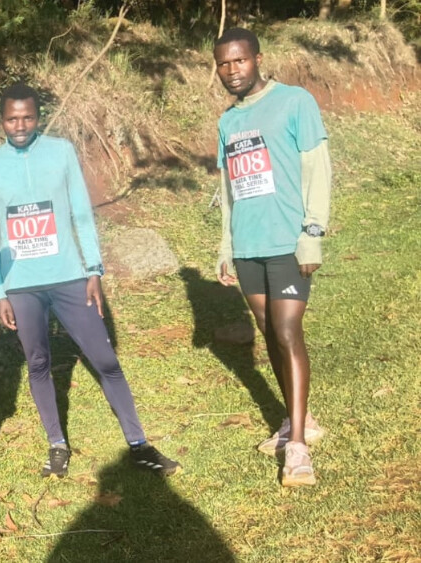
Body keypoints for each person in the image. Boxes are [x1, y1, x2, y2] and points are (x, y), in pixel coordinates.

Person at [0, 83, 180, 480]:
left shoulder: (61, 152)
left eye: (28, 117)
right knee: (38, 362)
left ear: (39, 117)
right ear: (0, 121)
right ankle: (57, 444)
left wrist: (93, 270)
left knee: (105, 360)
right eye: (12, 119)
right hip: (21, 284)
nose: (20, 125)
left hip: (68, 276)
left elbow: (81, 214)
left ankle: (139, 444)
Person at [213, 27, 330, 487]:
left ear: (258, 59)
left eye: (239, 60)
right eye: (223, 64)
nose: (231, 70)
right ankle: (300, 419)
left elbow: (317, 169)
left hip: (287, 241)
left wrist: (312, 233)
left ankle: (297, 447)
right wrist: (227, 246)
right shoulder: (227, 122)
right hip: (248, 245)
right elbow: (229, 190)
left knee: (286, 331)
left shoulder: (295, 102)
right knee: (269, 333)